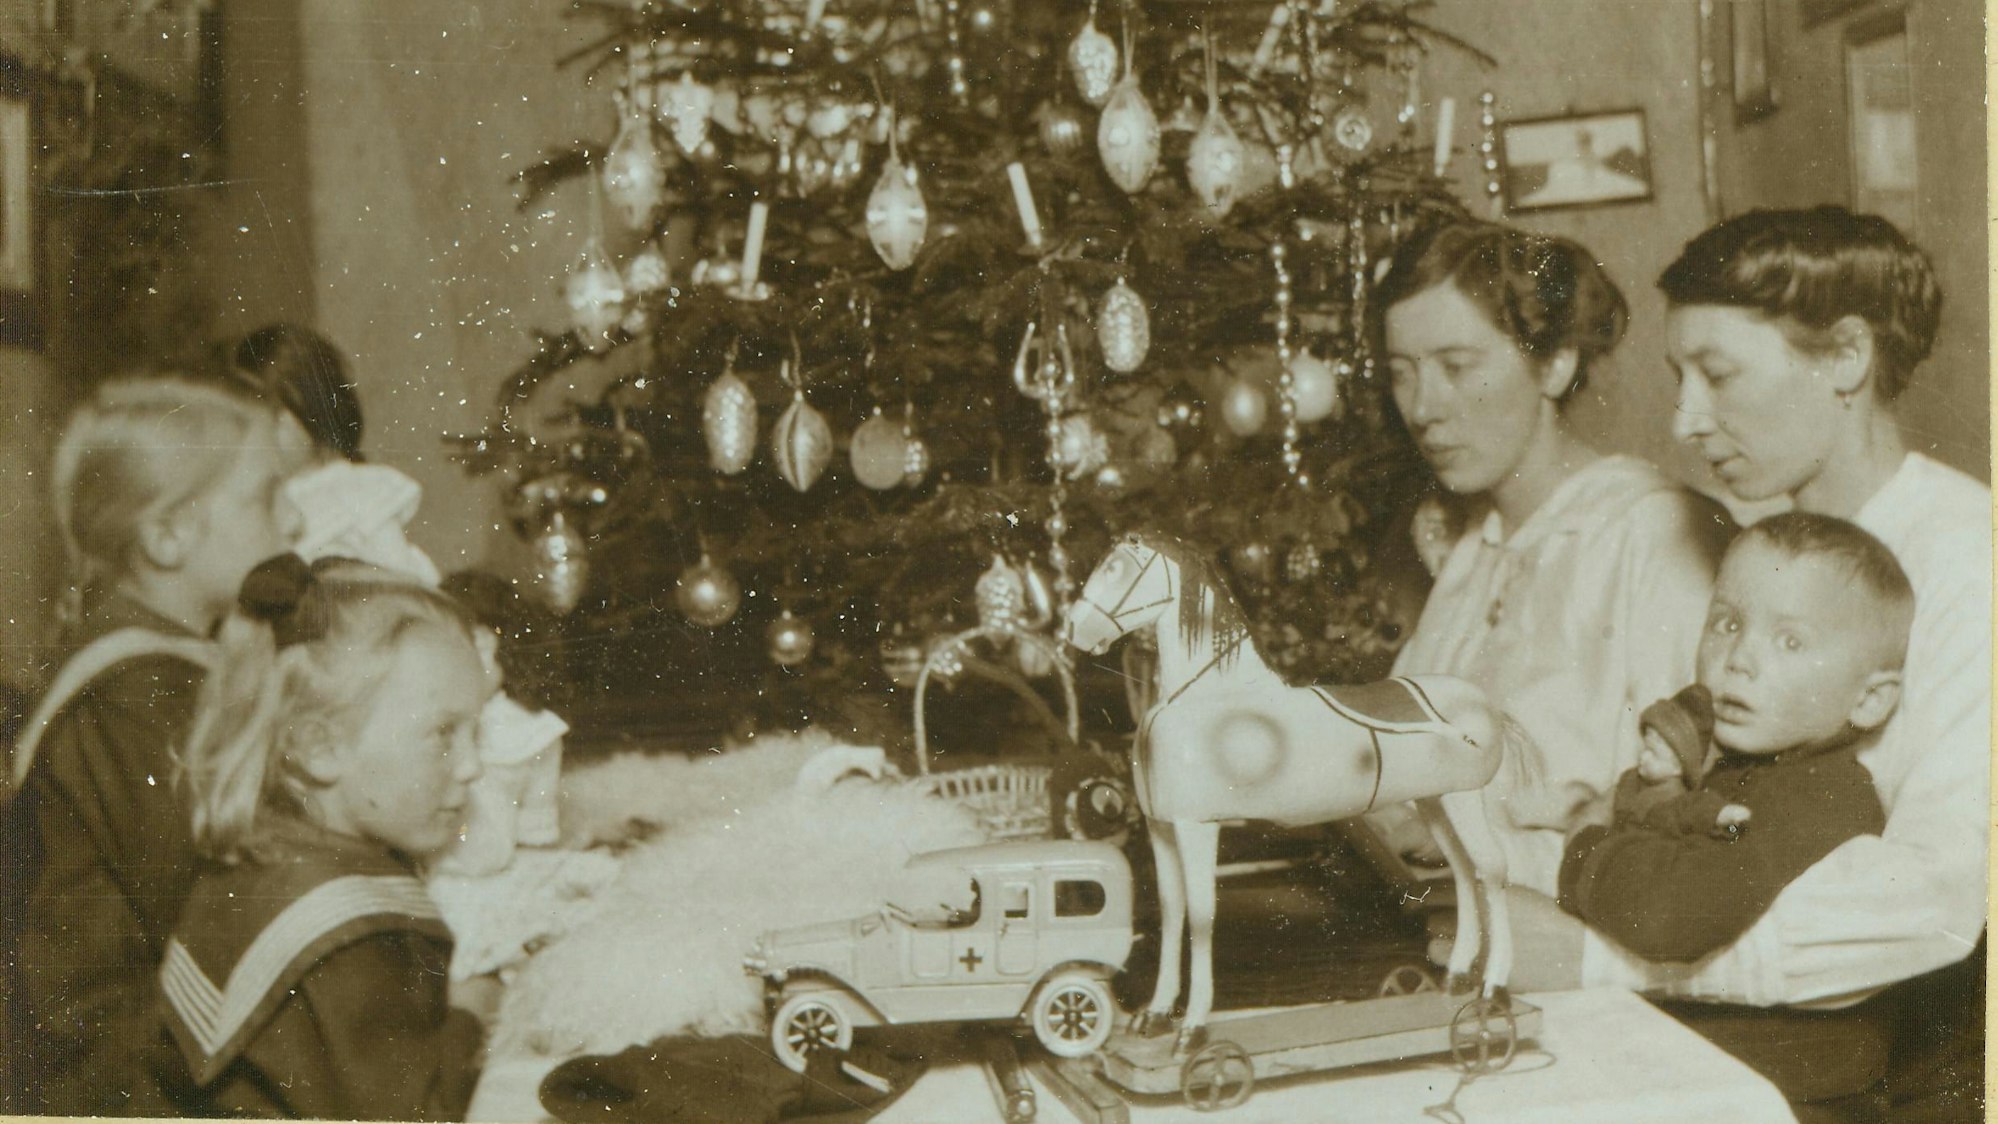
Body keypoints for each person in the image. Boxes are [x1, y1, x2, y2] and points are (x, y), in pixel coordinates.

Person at [1509, 206, 1989, 1120]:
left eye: (1718, 376)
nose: (1687, 420)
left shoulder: (1969, 559)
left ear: (1846, 357)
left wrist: (1603, 958)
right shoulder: (1757, 547)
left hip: (1912, 1074)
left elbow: (1929, 905)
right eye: (1677, 377)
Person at [1372, 219, 1731, 896]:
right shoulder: (1476, 546)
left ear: (1556, 363)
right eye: (1402, 374)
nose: (1423, 407)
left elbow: (1693, 814)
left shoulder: (1653, 532)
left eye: (1457, 366)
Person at [0, 376, 304, 1115]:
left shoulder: (156, 663)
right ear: (168, 536)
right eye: (267, 498)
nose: (293, 520)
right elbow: (225, 905)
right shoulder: (136, 693)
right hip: (118, 1078)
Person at [224, 322, 567, 878]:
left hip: (379, 657)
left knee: (463, 782)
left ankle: (491, 858)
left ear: (308, 413)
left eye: (264, 420)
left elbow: (395, 586)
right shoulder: (278, 499)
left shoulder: (345, 496)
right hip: (326, 675)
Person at [159, 554, 492, 1118]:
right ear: (320, 748)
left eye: (475, 732)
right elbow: (416, 1111)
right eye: (444, 734)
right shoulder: (351, 933)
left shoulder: (263, 854)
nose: (471, 767)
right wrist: (471, 1015)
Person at [1558, 513, 1911, 963]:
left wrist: (1583, 845)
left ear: (1870, 699)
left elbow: (1663, 918)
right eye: (1727, 624)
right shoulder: (1731, 763)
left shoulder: (1820, 799)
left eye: (1790, 642)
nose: (1739, 659)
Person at [1611, 684, 1738, 830]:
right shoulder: (1631, 779)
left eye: (1653, 754)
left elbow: (1698, 808)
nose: (1643, 757)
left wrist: (1722, 814)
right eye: (1645, 748)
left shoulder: (1677, 799)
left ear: (1678, 767)